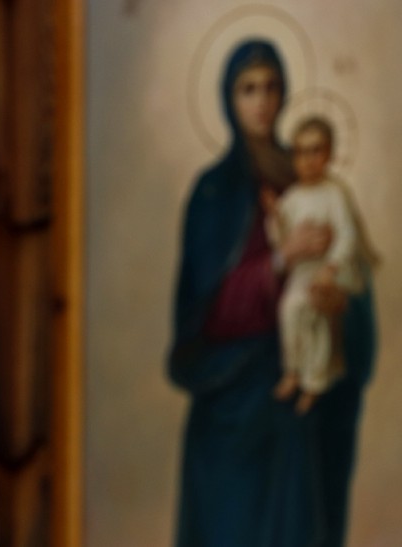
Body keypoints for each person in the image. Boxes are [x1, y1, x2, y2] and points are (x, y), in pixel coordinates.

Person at [168, 40, 376, 546]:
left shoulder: (312, 178)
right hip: (229, 407)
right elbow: (205, 310)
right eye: (248, 89)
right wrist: (279, 263)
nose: (261, 101)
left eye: (270, 87)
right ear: (228, 98)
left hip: (294, 406)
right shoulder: (213, 193)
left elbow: (352, 273)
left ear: (284, 95)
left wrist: (339, 301)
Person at [264, 116, 377, 415]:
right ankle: (292, 371)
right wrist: (275, 217)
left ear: (328, 154)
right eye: (300, 152)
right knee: (290, 310)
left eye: (316, 151)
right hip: (302, 272)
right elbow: (280, 239)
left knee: (318, 321)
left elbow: (347, 235)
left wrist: (332, 268)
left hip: (330, 272)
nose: (308, 160)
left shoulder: (335, 194)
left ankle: (314, 382)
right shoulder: (292, 197)